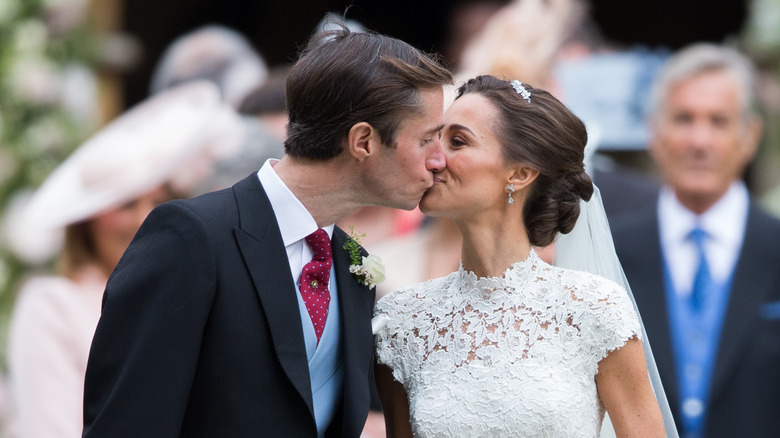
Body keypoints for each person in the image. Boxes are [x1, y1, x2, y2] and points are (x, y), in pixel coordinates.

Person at [81, 19, 452, 437]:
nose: (439, 160)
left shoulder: (355, 265)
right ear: (363, 141)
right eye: (427, 140)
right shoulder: (190, 238)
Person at [373, 75, 667, 437]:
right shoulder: (401, 321)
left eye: (458, 141)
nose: (433, 158)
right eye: (434, 139)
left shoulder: (595, 308)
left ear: (520, 173)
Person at [5, 81, 234, 438]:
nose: (146, 220)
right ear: (87, 221)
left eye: (161, 201)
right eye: (126, 204)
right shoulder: (52, 303)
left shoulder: (199, 296)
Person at [612, 44, 780, 437]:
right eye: (684, 119)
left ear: (750, 136)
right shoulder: (613, 252)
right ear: (655, 131)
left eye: (719, 121)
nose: (699, 141)